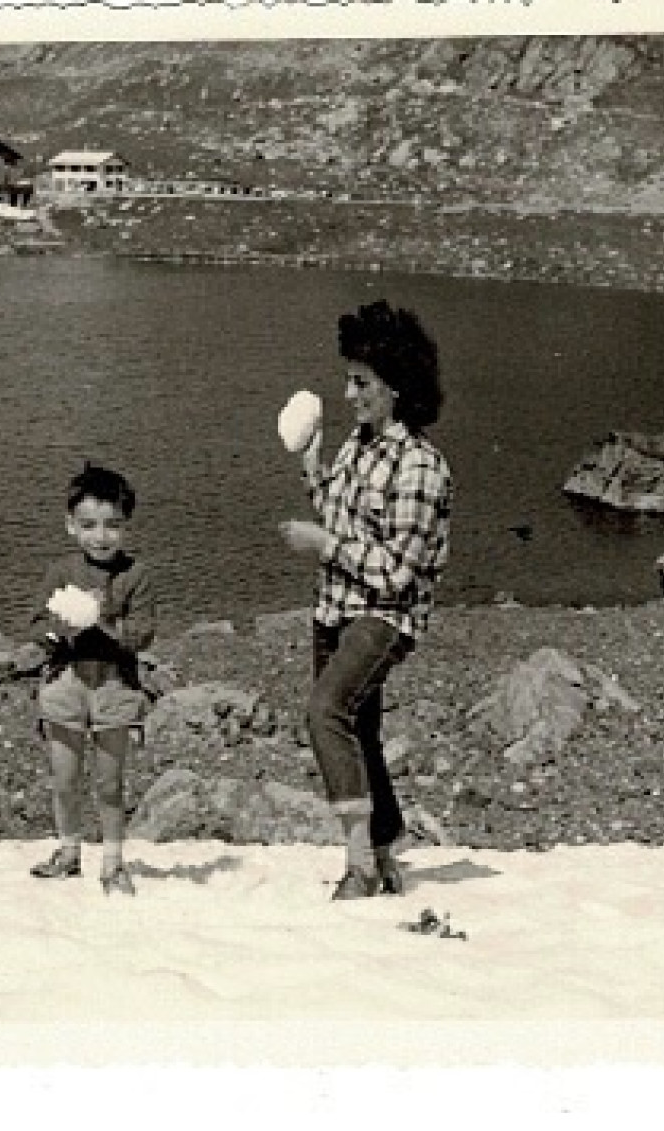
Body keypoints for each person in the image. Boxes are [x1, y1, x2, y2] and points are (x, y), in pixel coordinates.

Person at [279, 300, 454, 900]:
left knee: (325, 709)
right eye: (349, 379)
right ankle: (386, 848)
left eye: (361, 382)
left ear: (397, 387)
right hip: (333, 608)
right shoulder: (358, 446)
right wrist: (313, 470)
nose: (349, 393)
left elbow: (398, 574)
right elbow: (342, 520)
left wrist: (322, 544)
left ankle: (358, 865)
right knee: (360, 730)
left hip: (384, 617)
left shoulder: (423, 468)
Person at [27, 463, 157, 896]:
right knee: (64, 777)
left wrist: (103, 621)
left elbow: (141, 635)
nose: (100, 536)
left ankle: (114, 861)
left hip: (115, 685)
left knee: (109, 781)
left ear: (126, 526)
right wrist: (62, 628)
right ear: (71, 526)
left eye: (112, 525)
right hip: (66, 681)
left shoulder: (135, 575)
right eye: (89, 525)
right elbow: (37, 624)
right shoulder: (61, 571)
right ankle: (68, 850)